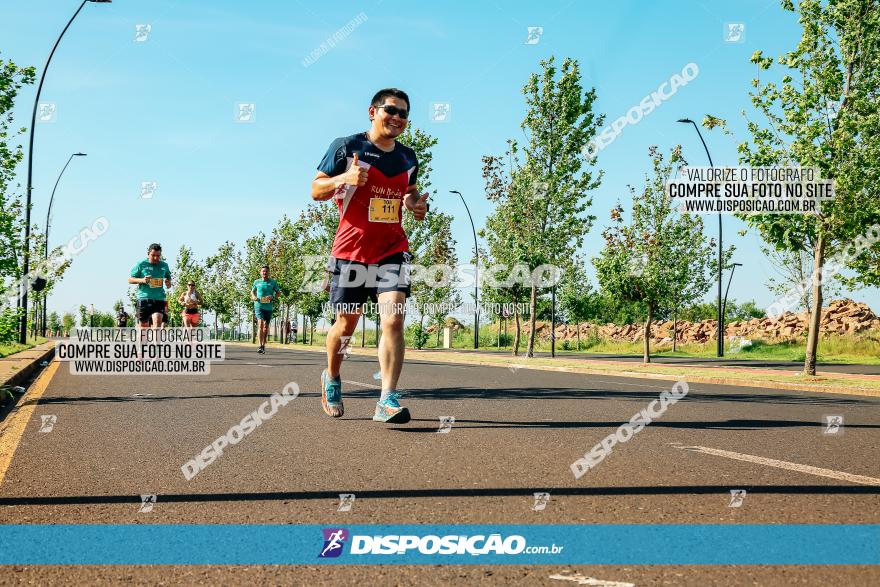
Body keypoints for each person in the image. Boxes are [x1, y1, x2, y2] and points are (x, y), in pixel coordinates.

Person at [310, 88, 428, 424]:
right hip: (350, 251)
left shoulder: (408, 158)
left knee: (393, 319)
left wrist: (415, 204)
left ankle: (387, 399)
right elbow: (315, 189)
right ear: (372, 111)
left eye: (404, 114)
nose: (397, 118)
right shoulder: (347, 147)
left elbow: (408, 190)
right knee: (346, 324)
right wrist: (344, 178)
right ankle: (332, 378)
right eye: (391, 110)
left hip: (392, 249)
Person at [128, 243, 172, 328]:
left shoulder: (164, 265)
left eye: (158, 256)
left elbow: (168, 278)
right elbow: (130, 279)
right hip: (144, 298)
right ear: (148, 254)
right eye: (153, 255)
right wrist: (142, 280)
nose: (156, 258)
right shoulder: (141, 264)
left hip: (159, 298)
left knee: (157, 323)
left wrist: (168, 282)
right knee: (144, 327)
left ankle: (156, 341)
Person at [250, 265, 281, 354]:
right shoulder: (256, 282)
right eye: (263, 271)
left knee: (265, 327)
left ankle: (263, 345)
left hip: (268, 307)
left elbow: (278, 293)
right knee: (260, 324)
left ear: (269, 272)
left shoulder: (273, 282)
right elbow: (252, 291)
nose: (265, 273)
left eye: (266, 271)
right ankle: (260, 346)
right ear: (260, 272)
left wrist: (273, 296)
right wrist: (253, 296)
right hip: (259, 305)